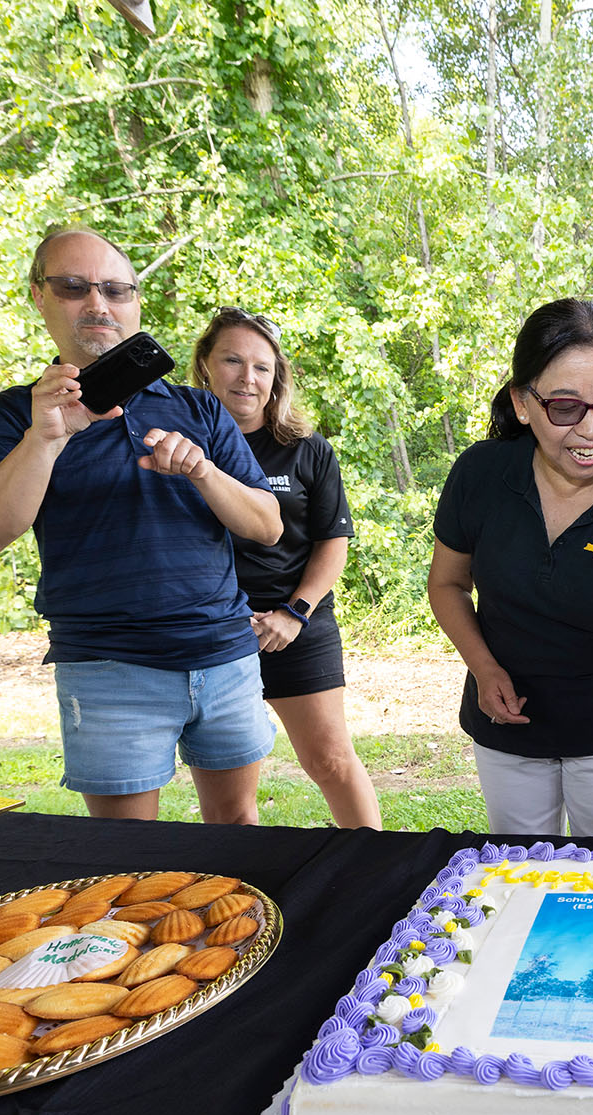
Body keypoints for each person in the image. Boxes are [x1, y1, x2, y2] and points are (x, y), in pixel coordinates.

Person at [0, 227, 282, 824]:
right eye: (74, 287)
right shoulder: (14, 415)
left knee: (238, 830)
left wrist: (203, 473)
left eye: (116, 289)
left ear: (135, 303)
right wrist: (45, 438)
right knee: (126, 854)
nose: (98, 304)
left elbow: (267, 525)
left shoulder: (199, 407)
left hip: (224, 652)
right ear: (39, 296)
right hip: (108, 665)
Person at [427, 299, 593, 839]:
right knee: (523, 875)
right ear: (522, 403)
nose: (591, 430)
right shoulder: (480, 474)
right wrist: (484, 668)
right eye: (565, 407)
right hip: (507, 729)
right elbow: (448, 584)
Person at [190, 306, 383, 830]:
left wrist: (294, 612)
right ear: (205, 364)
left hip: (298, 624)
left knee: (330, 761)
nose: (247, 378)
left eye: (261, 367)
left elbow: (332, 542)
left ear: (277, 378)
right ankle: (239, 900)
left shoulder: (307, 451)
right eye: (232, 360)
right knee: (230, 795)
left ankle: (381, 876)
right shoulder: (178, 445)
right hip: (212, 634)